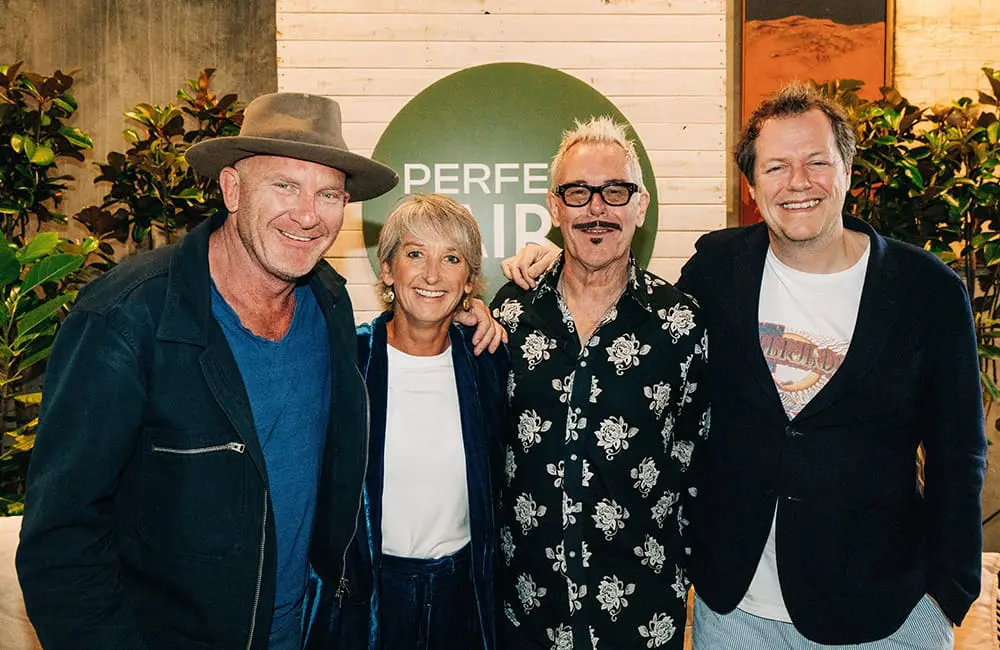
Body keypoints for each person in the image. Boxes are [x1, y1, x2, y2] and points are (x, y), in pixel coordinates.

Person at [502, 83, 987, 649]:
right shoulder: (718, 269)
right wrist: (555, 258)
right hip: (737, 611)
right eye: (777, 166)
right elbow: (615, 296)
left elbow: (960, 452)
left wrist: (949, 593)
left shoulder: (926, 290)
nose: (798, 182)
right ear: (752, 185)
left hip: (883, 610)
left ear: (848, 170)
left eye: (816, 162)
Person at [15, 92, 503, 650]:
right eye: (284, 186)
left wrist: (466, 308)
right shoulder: (128, 318)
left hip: (313, 631)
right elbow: (62, 541)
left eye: (327, 194)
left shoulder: (330, 308)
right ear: (231, 188)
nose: (306, 214)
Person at [489, 116, 709, 650]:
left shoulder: (680, 323)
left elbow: (698, 455)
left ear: (641, 205)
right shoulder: (512, 312)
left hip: (640, 613)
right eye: (578, 192)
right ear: (554, 206)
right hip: (527, 611)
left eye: (615, 191)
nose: (596, 209)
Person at [304, 193, 507, 650]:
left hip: (463, 600)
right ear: (388, 269)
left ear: (469, 281)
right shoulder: (348, 363)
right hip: (369, 601)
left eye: (451, 258)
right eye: (415, 254)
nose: (432, 275)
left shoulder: (487, 363)